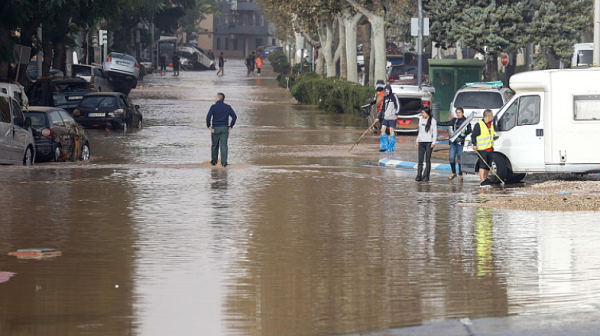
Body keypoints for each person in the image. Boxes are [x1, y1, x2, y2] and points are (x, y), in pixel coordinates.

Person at [437, 107, 471, 180]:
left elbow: (470, 130)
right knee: (451, 158)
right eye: (457, 113)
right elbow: (446, 123)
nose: (458, 114)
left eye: (459, 112)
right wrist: (436, 122)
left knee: (459, 158)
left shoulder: (466, 121)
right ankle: (453, 172)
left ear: (462, 113)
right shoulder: (454, 120)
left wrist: (465, 132)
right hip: (453, 142)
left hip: (460, 143)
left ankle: (460, 174)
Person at [206, 93, 237, 167]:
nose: (215, 98)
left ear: (219, 98)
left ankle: (214, 162)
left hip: (215, 128)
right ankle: (224, 163)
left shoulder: (213, 107)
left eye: (215, 97)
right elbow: (234, 117)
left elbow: (208, 116)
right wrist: (230, 126)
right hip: (224, 128)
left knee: (214, 145)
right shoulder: (228, 107)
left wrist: (209, 126)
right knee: (224, 146)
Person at [471, 109, 495, 187]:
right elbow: (473, 135)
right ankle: (482, 181)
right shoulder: (479, 124)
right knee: (483, 164)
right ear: (488, 116)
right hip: (482, 148)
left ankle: (485, 178)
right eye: (491, 116)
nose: (492, 117)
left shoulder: (491, 124)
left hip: (490, 148)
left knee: (488, 164)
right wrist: (474, 144)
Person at [415, 107, 437, 182]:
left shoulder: (433, 121)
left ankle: (426, 176)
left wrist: (433, 142)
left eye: (423, 113)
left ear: (427, 113)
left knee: (427, 159)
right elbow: (420, 131)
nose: (422, 114)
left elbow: (434, 132)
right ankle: (419, 175)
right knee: (420, 160)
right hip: (421, 142)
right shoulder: (421, 119)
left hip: (429, 142)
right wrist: (417, 140)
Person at [378, 85, 401, 152]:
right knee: (382, 130)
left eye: (387, 90)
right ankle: (384, 147)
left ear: (390, 90)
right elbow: (383, 109)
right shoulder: (385, 98)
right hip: (385, 117)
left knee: (391, 131)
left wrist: (396, 114)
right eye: (385, 90)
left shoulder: (394, 96)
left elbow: (398, 105)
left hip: (392, 118)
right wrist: (378, 117)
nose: (386, 91)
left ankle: (390, 147)